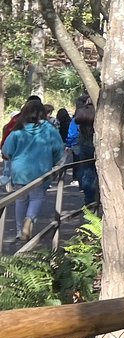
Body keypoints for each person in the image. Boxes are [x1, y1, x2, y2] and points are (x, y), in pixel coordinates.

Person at [2, 97, 64, 242]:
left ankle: (19, 231)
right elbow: (58, 149)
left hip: (20, 170)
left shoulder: (18, 129)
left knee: (20, 200)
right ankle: (29, 219)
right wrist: (52, 163)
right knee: (37, 197)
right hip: (41, 170)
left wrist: (13, 158)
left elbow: (6, 150)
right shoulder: (49, 129)